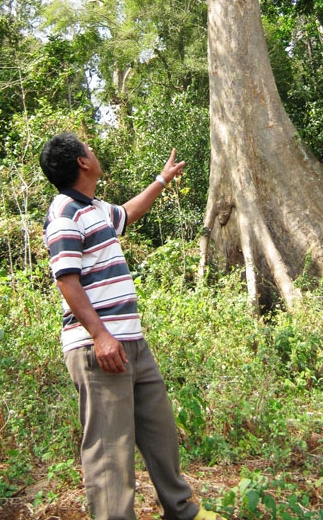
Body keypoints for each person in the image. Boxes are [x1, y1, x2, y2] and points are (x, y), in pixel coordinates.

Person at [39, 132, 218, 520]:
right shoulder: (64, 212)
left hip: (131, 342)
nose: (95, 151)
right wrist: (101, 336)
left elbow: (128, 213)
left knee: (160, 432)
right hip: (97, 347)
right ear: (82, 163)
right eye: (89, 149)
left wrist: (161, 180)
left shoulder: (95, 208)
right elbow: (66, 280)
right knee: (110, 450)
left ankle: (182, 510)